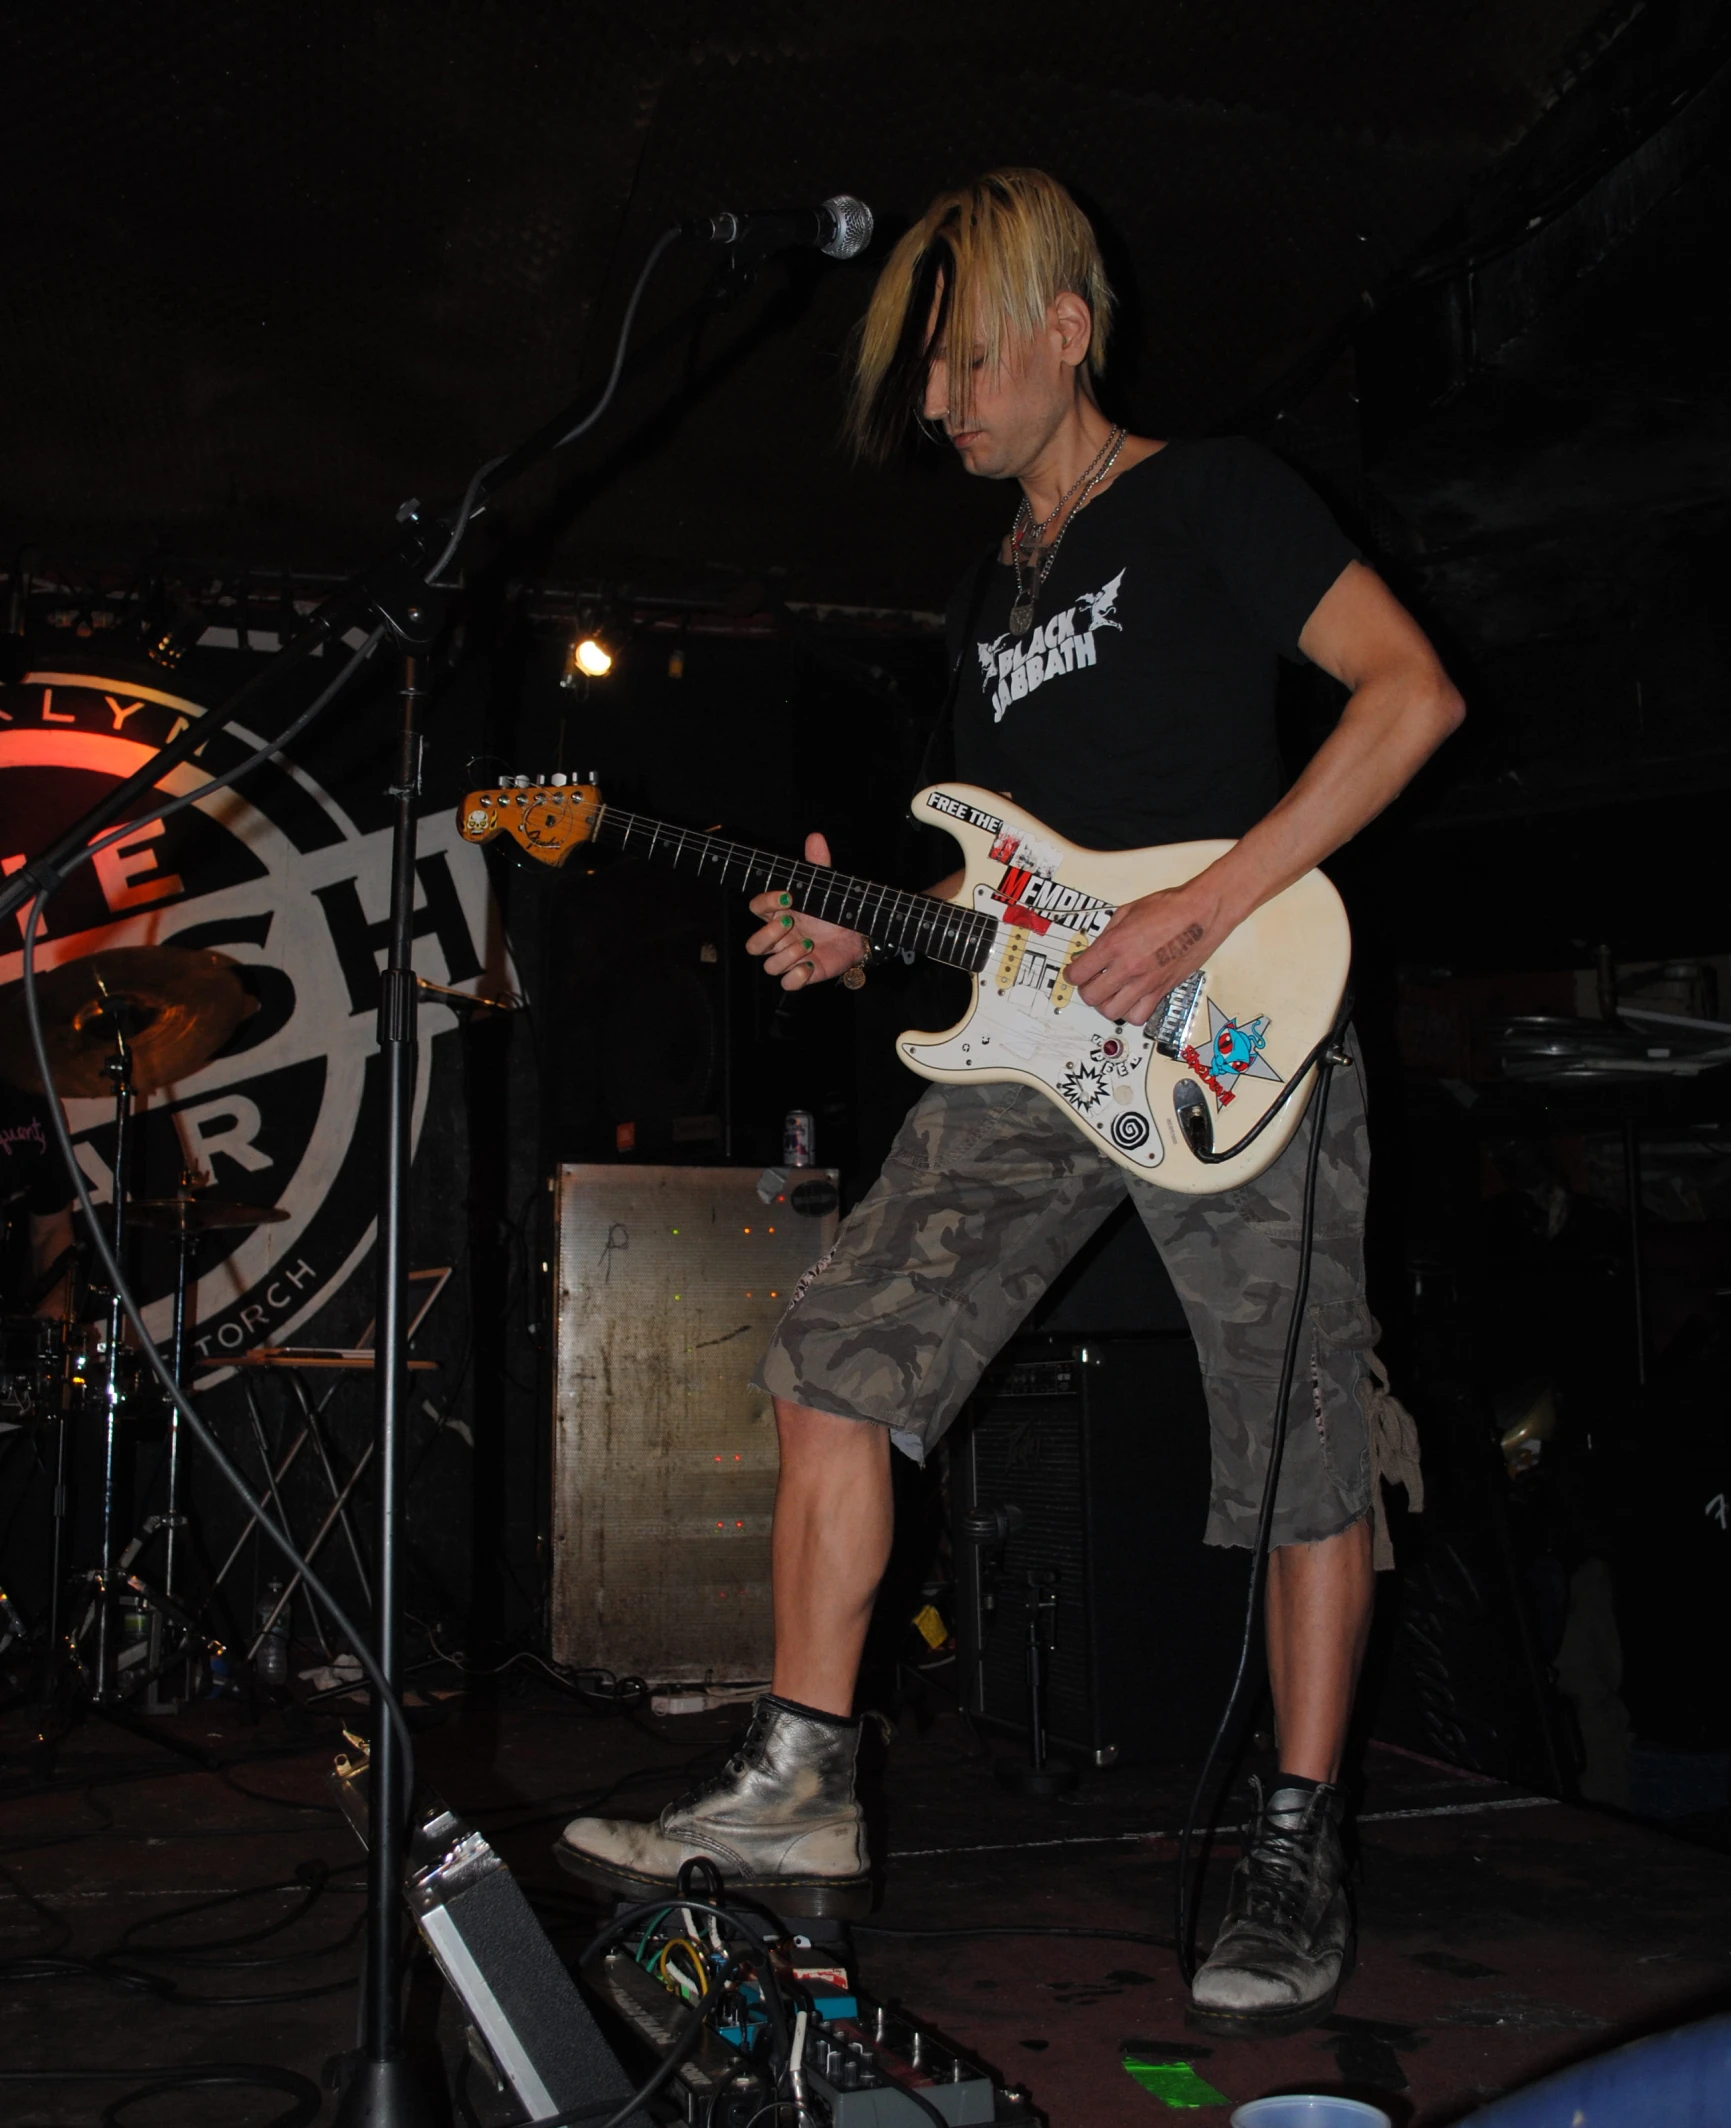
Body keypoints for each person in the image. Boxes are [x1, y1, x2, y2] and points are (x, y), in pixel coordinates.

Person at [558, 169, 1463, 2036]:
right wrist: (857, 935)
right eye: (922, 375)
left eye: (967, 360)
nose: (939, 404)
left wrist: (1202, 906)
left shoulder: (1214, 494)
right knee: (833, 1351)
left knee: (1297, 1434)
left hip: (1236, 1016)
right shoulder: (985, 597)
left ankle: (1297, 1840)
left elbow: (1408, 699)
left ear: (1067, 333)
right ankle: (803, 1777)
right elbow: (1005, 896)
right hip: (1046, 1055)